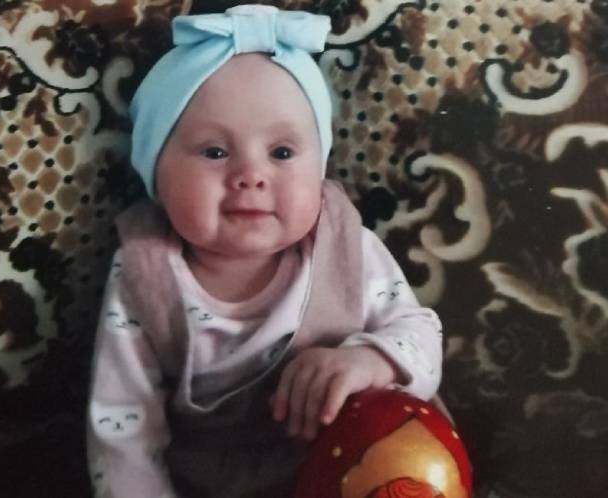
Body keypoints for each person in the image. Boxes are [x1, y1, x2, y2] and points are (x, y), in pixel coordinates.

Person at [87, 5, 442, 498]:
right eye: (215, 152)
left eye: (282, 153)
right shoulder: (144, 272)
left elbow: (421, 333)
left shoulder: (344, 246)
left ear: (319, 170)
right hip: (212, 484)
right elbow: (124, 428)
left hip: (351, 467)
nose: (251, 175)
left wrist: (370, 360)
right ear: (156, 177)